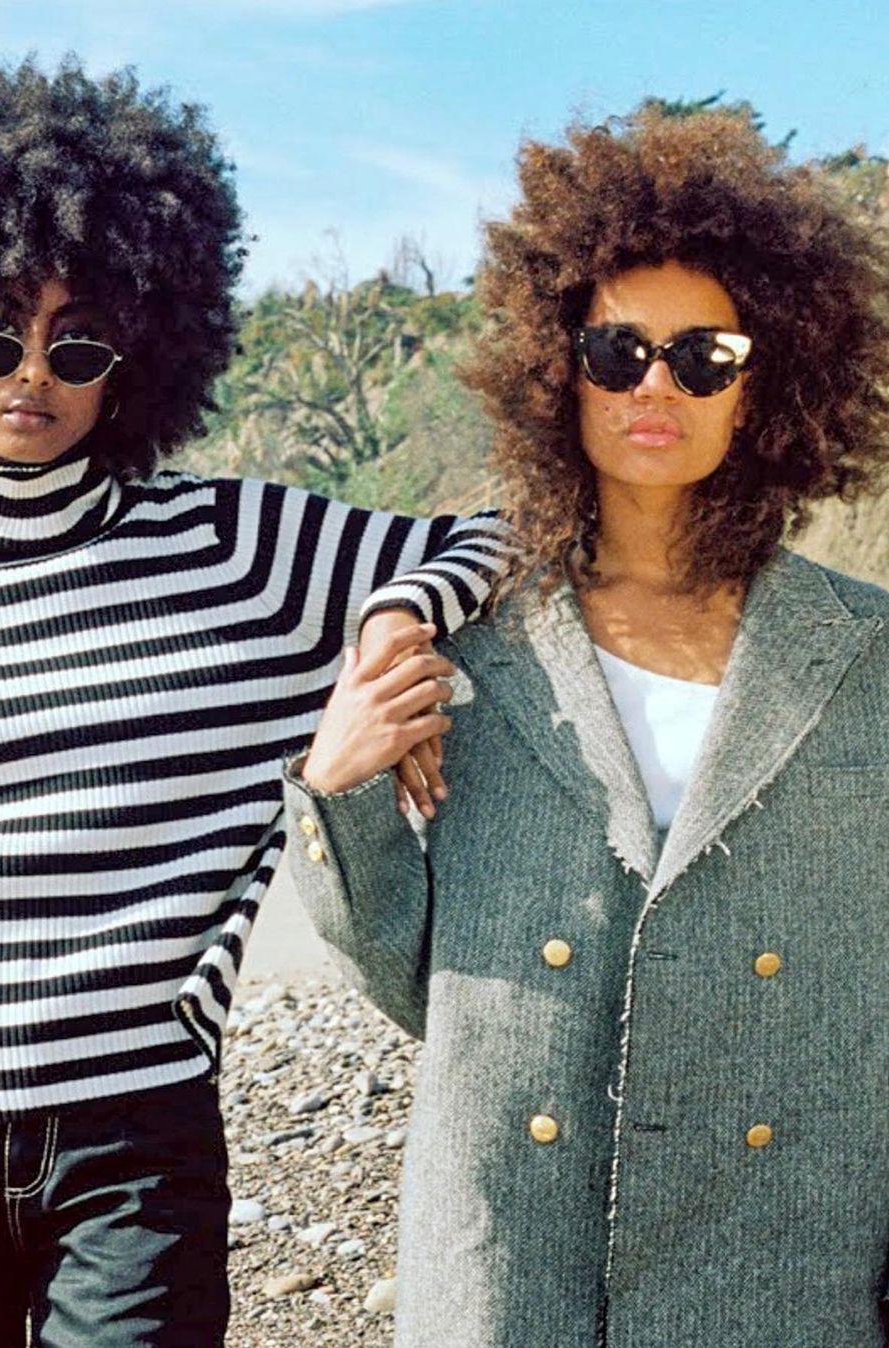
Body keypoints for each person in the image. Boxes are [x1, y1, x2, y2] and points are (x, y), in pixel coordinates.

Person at [0, 59, 508, 1348]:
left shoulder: (241, 549)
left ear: (137, 355)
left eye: (76, 343)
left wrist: (391, 616)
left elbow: (504, 531)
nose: (31, 374)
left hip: (135, 1149)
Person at [284, 106, 889, 1347]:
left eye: (705, 356)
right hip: (515, 1258)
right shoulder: (474, 645)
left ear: (764, 388)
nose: (657, 384)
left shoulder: (867, 651)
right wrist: (340, 789)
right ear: (558, 372)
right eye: (618, 351)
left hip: (782, 1263)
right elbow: (424, 981)